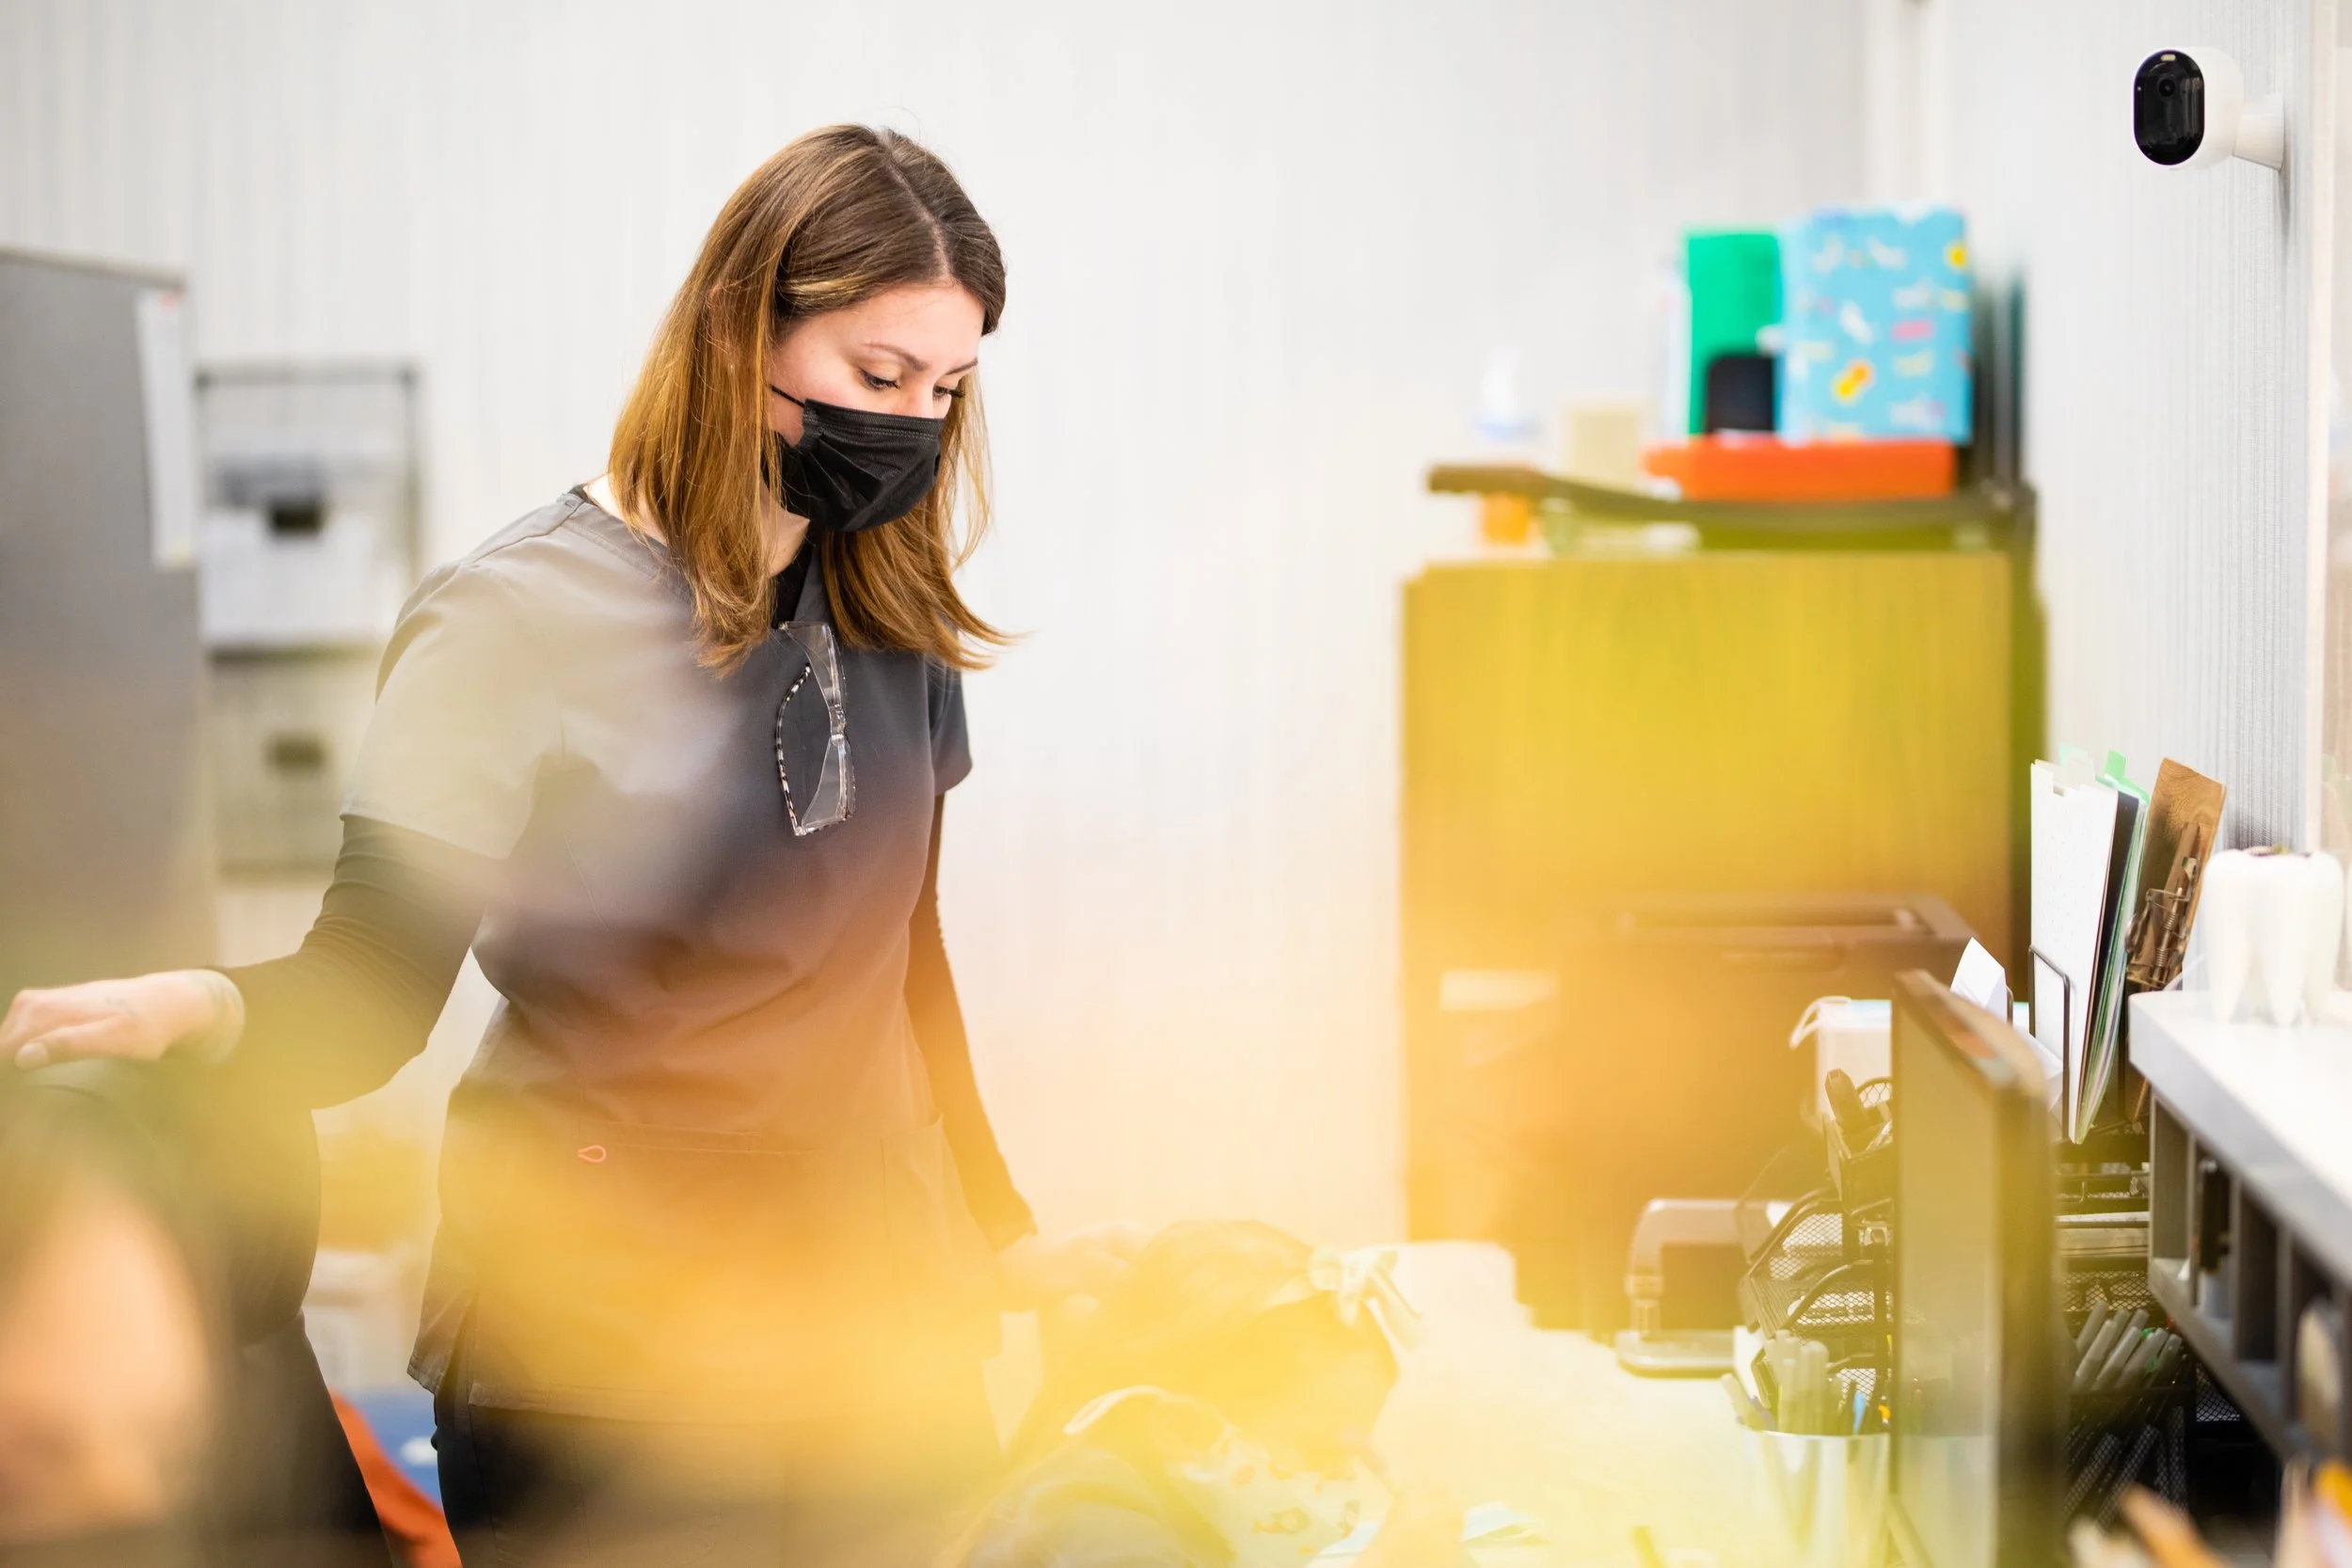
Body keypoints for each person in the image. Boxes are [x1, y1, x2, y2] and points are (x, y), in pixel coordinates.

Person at [0, 124, 1134, 1564]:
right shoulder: (509, 620)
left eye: (947, 387)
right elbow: (368, 980)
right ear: (740, 332)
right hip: (604, 1353)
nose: (912, 424)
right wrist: (209, 1005)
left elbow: (903, 953)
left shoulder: (892, 608)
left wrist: (1004, 1228)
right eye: (876, 377)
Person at [959, 1221, 1468, 1568]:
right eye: (1322, 1450)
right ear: (1184, 1429)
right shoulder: (1091, 1520)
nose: (1342, 1482)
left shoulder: (1197, 1500)